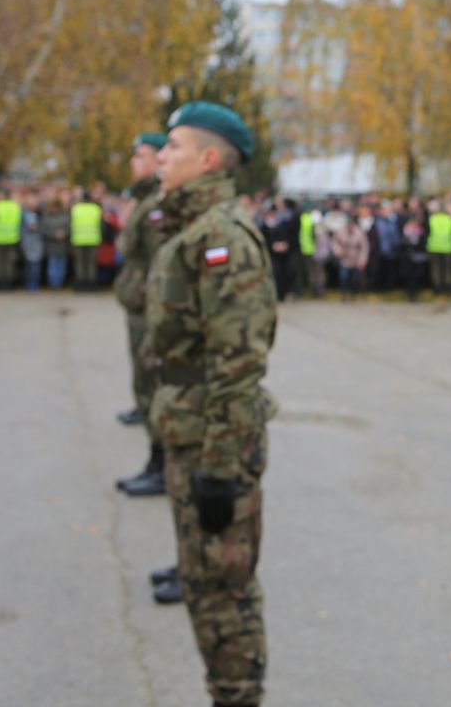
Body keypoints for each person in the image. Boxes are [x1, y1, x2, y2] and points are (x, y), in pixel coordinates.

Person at [145, 101, 277, 707]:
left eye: (172, 147)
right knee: (203, 585)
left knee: (222, 590)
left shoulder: (222, 236)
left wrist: (221, 466)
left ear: (208, 159)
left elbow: (239, 363)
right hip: (190, 427)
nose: (160, 157)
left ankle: (237, 698)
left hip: (212, 439)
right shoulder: (190, 228)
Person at [114, 132, 170, 500]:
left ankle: (161, 465)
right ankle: (158, 462)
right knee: (144, 387)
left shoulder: (155, 206)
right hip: (138, 306)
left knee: (154, 390)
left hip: (149, 310)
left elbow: (157, 264)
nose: (135, 163)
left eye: (141, 156)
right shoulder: (143, 201)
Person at [0, 190, 23, 290]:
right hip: (12, 238)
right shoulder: (16, 207)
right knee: (9, 262)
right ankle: (9, 283)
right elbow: (19, 221)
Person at [70, 192, 102, 291]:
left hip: (78, 239)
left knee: (80, 263)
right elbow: (101, 225)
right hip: (93, 239)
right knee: (91, 263)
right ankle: (91, 283)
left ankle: (80, 283)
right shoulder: (96, 209)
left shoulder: (75, 209)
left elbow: (70, 224)